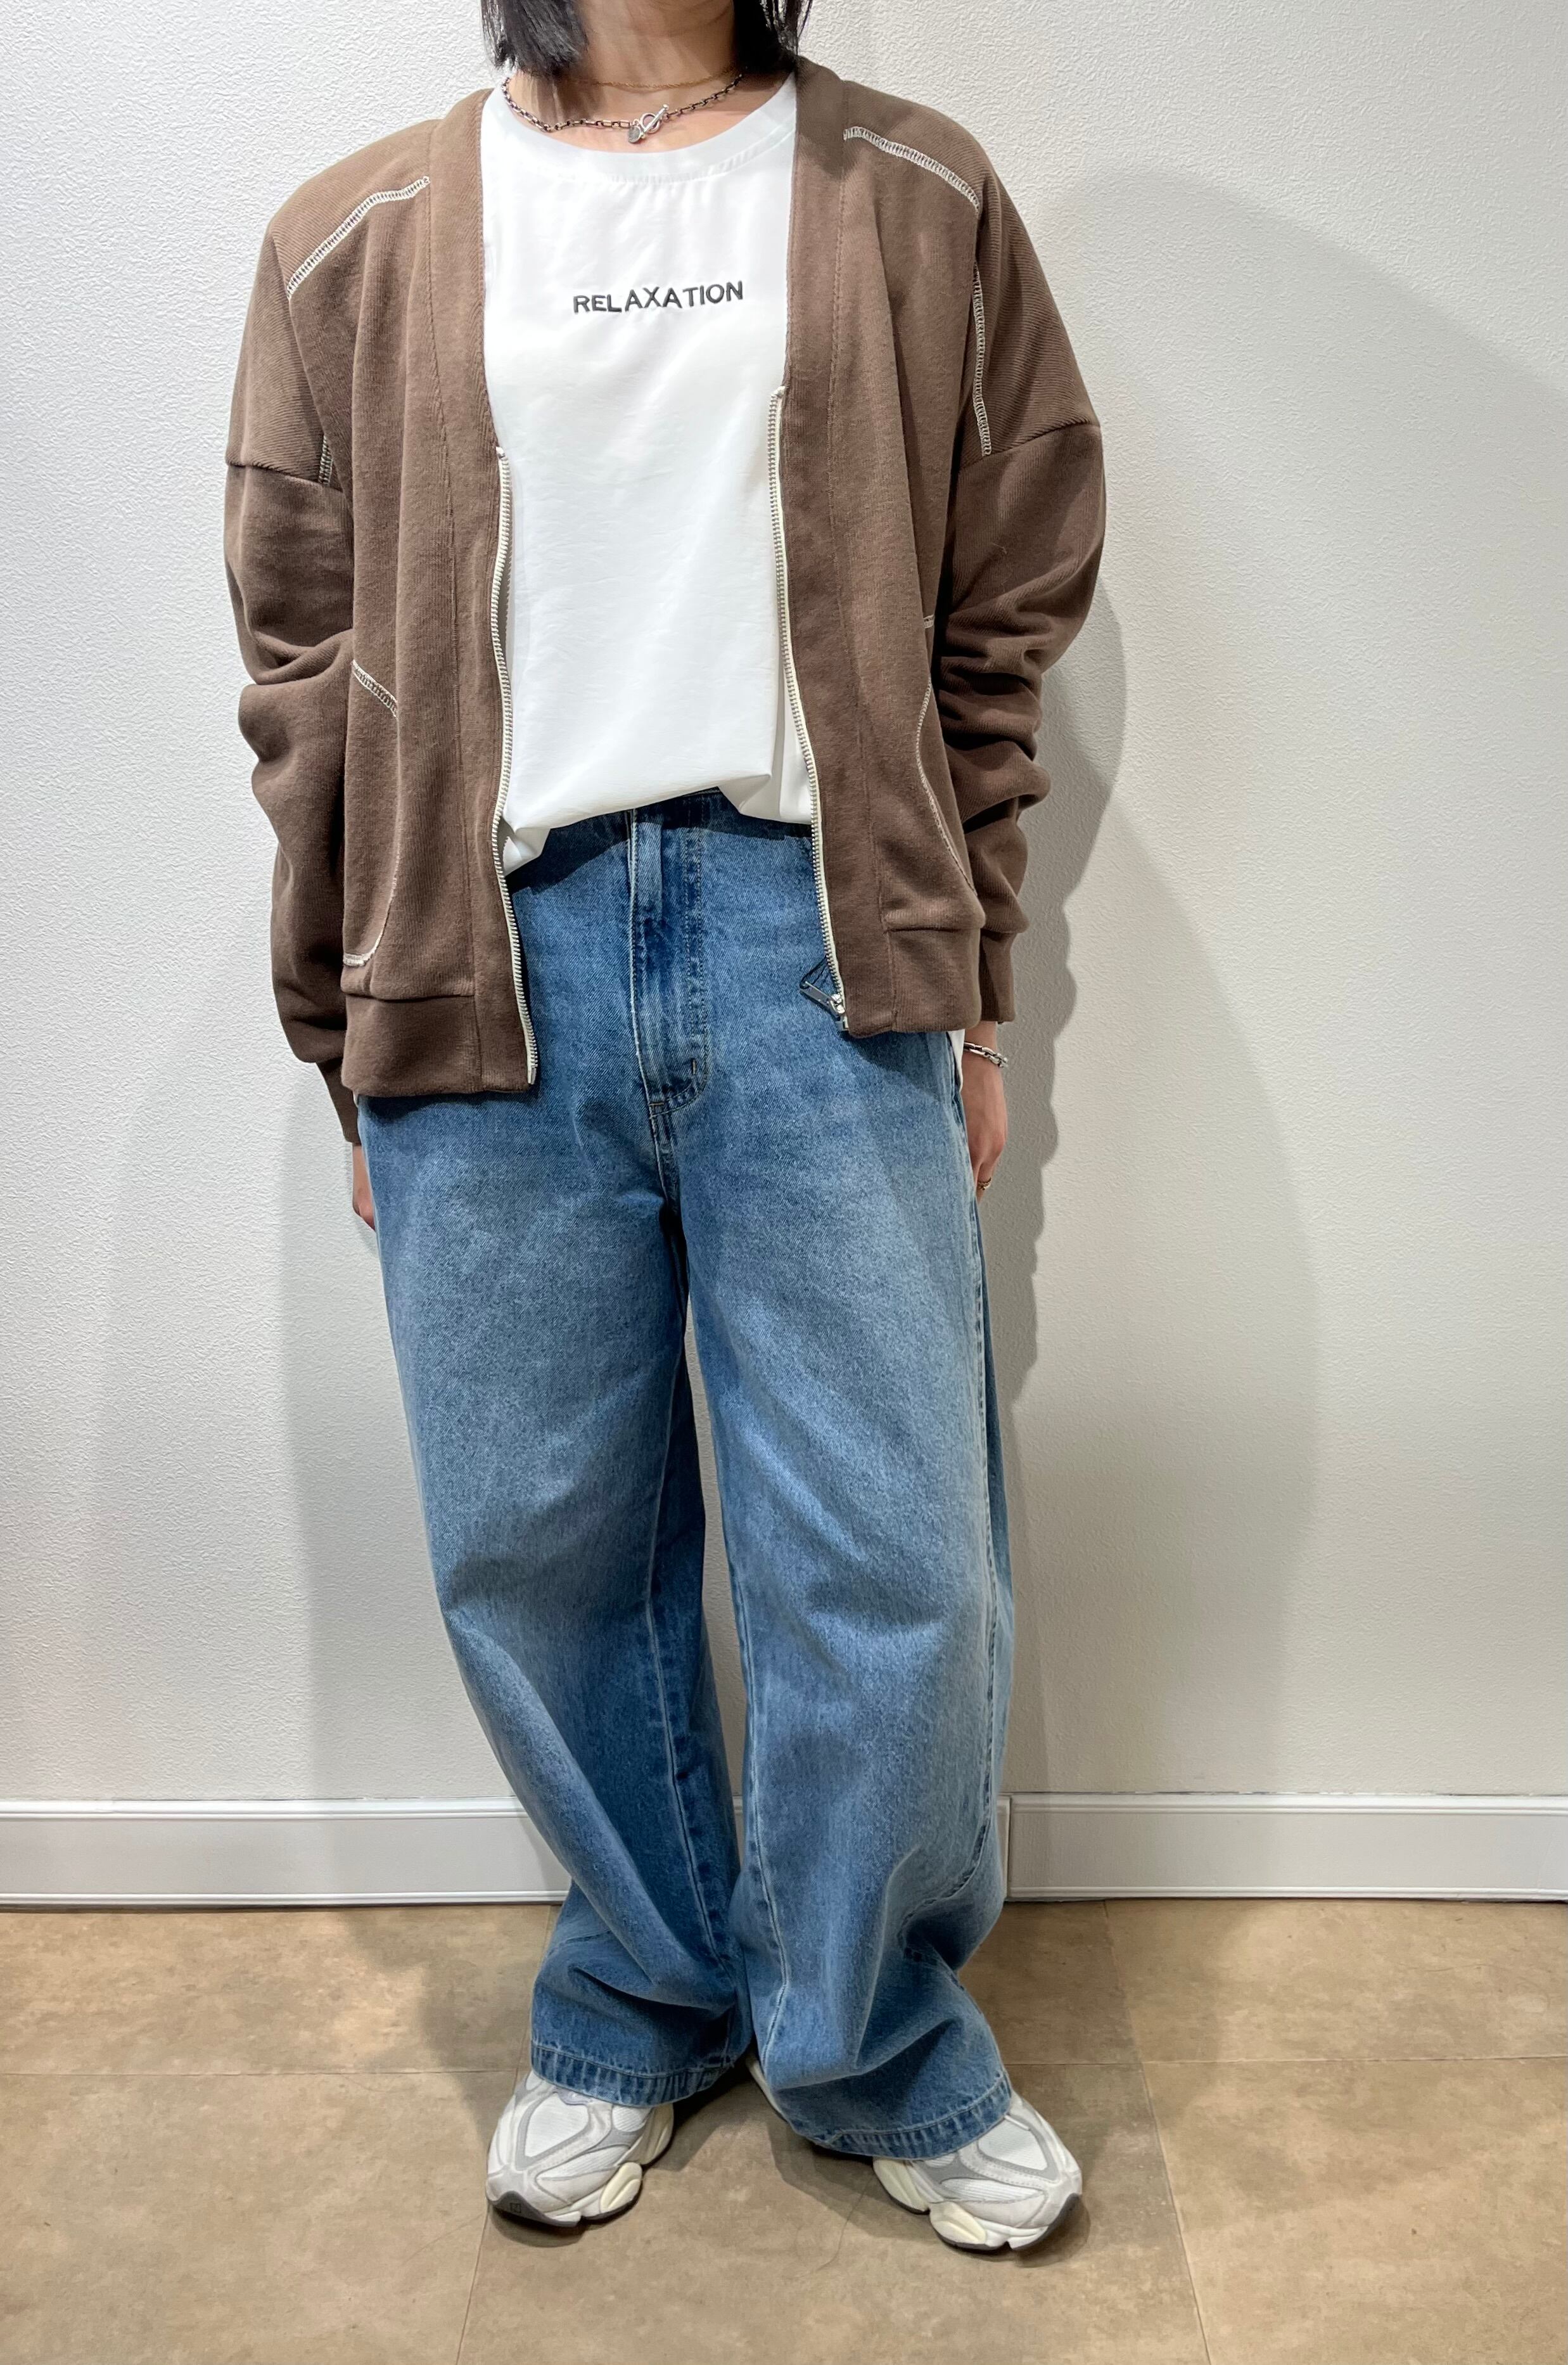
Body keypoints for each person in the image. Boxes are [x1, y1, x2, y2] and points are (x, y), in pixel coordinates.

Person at [224, 0, 1104, 2253]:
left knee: (889, 1551)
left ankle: (870, 2032)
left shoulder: (911, 190)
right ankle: (640, 1989)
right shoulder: (353, 237)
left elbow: (1000, 602)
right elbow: (304, 672)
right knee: (537, 1543)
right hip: (483, 949)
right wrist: (347, 1016)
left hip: (815, 940)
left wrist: (965, 969)